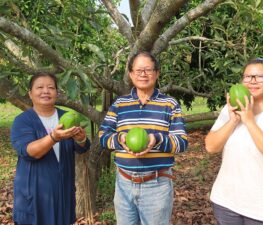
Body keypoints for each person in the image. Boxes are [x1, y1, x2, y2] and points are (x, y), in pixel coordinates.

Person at [205, 57, 263, 225]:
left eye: (259, 77)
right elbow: (211, 146)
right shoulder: (230, 109)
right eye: (248, 77)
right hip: (227, 202)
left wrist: (249, 121)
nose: (252, 81)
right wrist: (233, 120)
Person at [99, 51, 188, 225]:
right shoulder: (119, 104)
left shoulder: (169, 104)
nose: (143, 74)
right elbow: (103, 136)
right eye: (138, 70)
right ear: (131, 74)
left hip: (157, 184)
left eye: (148, 69)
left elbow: (182, 142)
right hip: (124, 183)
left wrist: (157, 139)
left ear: (157, 73)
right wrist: (120, 139)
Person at [10, 73, 90, 225]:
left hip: (62, 192)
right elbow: (30, 151)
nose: (46, 91)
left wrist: (81, 139)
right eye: (40, 87)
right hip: (34, 195)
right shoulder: (22, 121)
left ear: (57, 93)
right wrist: (54, 137)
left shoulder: (68, 116)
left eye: (51, 87)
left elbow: (82, 147)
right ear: (30, 94)